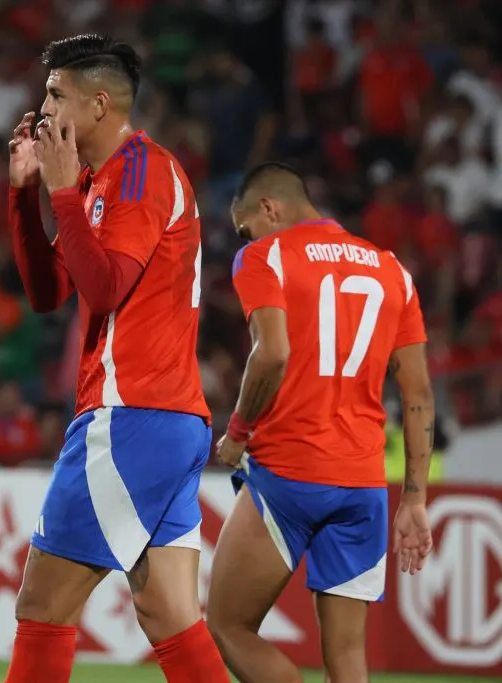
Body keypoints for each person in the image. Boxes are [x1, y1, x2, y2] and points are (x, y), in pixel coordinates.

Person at [5, 34, 228, 683]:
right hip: (168, 417)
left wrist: (62, 192)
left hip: (132, 415)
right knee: (167, 612)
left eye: (55, 95)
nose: (42, 109)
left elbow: (103, 288)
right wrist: (27, 193)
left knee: (42, 603)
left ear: (99, 104)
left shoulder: (138, 171)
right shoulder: (106, 177)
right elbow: (51, 292)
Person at [208, 163, 435, 683]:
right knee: (349, 661)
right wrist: (416, 499)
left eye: (246, 226)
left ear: (268, 209)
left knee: (228, 625)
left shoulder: (265, 256)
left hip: (291, 471)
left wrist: (238, 432)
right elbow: (419, 392)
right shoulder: (392, 270)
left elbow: (271, 354)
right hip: (363, 483)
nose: (245, 238)